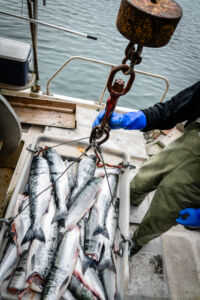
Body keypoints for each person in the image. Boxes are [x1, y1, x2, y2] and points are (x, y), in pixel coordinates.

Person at [93, 81, 200, 255]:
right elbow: (173, 109)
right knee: (144, 176)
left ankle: (138, 241)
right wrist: (128, 120)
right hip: (189, 142)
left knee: (165, 212)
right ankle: (130, 200)